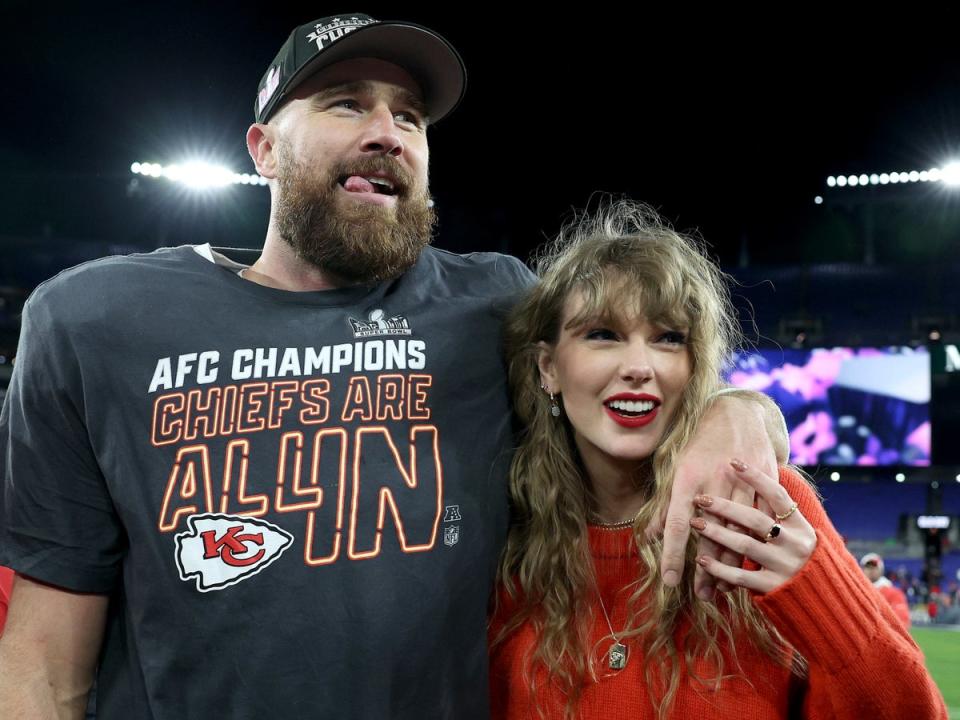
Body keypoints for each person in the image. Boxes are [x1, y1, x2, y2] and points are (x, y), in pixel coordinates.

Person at [0, 15, 784, 720]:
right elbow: (42, 665)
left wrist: (737, 412)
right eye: (347, 102)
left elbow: (639, 368)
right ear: (264, 149)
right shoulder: (95, 322)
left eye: (410, 116)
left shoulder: (494, 303)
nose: (390, 132)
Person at [489, 201, 947, 719]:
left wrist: (821, 594)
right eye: (602, 334)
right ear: (548, 367)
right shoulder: (503, 534)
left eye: (668, 338)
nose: (639, 366)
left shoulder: (758, 504)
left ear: (696, 365)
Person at [860, 552, 911, 627]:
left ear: (881, 570)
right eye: (868, 567)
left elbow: (902, 620)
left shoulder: (893, 593)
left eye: (874, 567)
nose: (871, 570)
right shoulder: (857, 590)